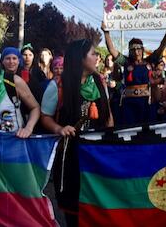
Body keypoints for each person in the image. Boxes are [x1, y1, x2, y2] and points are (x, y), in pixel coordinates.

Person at [41, 39, 113, 227]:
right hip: (71, 156)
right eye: (93, 53)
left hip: (98, 153)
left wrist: (110, 140)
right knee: (74, 208)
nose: (98, 57)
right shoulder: (58, 86)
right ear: (80, 59)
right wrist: (59, 128)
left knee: (99, 203)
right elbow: (45, 116)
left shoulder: (99, 81)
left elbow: (108, 116)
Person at [101, 18, 166, 125]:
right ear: (130, 51)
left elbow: (162, 46)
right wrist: (106, 32)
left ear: (142, 49)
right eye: (133, 50)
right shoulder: (126, 62)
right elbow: (112, 49)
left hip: (147, 102)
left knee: (148, 131)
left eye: (139, 49)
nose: (136, 52)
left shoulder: (149, 61)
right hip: (129, 104)